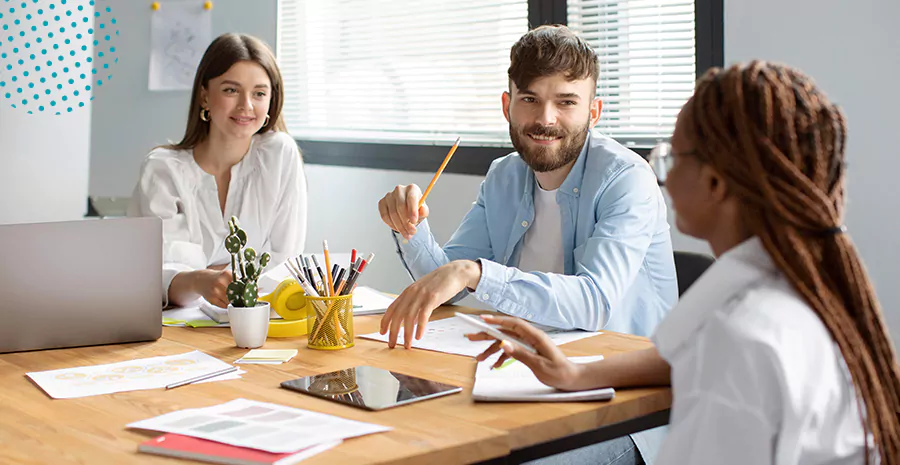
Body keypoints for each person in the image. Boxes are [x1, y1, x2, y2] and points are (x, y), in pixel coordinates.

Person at [470, 61, 900, 464]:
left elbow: (723, 364)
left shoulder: (744, 340)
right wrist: (575, 373)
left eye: (671, 159)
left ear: (715, 183)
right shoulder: (791, 294)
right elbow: (687, 358)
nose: (663, 177)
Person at [377, 24, 675, 464]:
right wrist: (412, 228)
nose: (546, 119)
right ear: (507, 105)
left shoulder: (626, 179)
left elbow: (594, 302)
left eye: (566, 102)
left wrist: (476, 273)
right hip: (520, 377)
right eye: (530, 99)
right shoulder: (505, 175)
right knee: (404, 426)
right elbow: (450, 285)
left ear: (594, 112)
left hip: (618, 404)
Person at [129, 33, 307, 308]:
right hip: (176, 329)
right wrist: (199, 282)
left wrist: (192, 278)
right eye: (231, 90)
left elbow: (286, 261)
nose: (246, 106)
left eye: (259, 93)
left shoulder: (280, 154)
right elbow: (152, 277)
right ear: (204, 96)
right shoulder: (162, 169)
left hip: (260, 318)